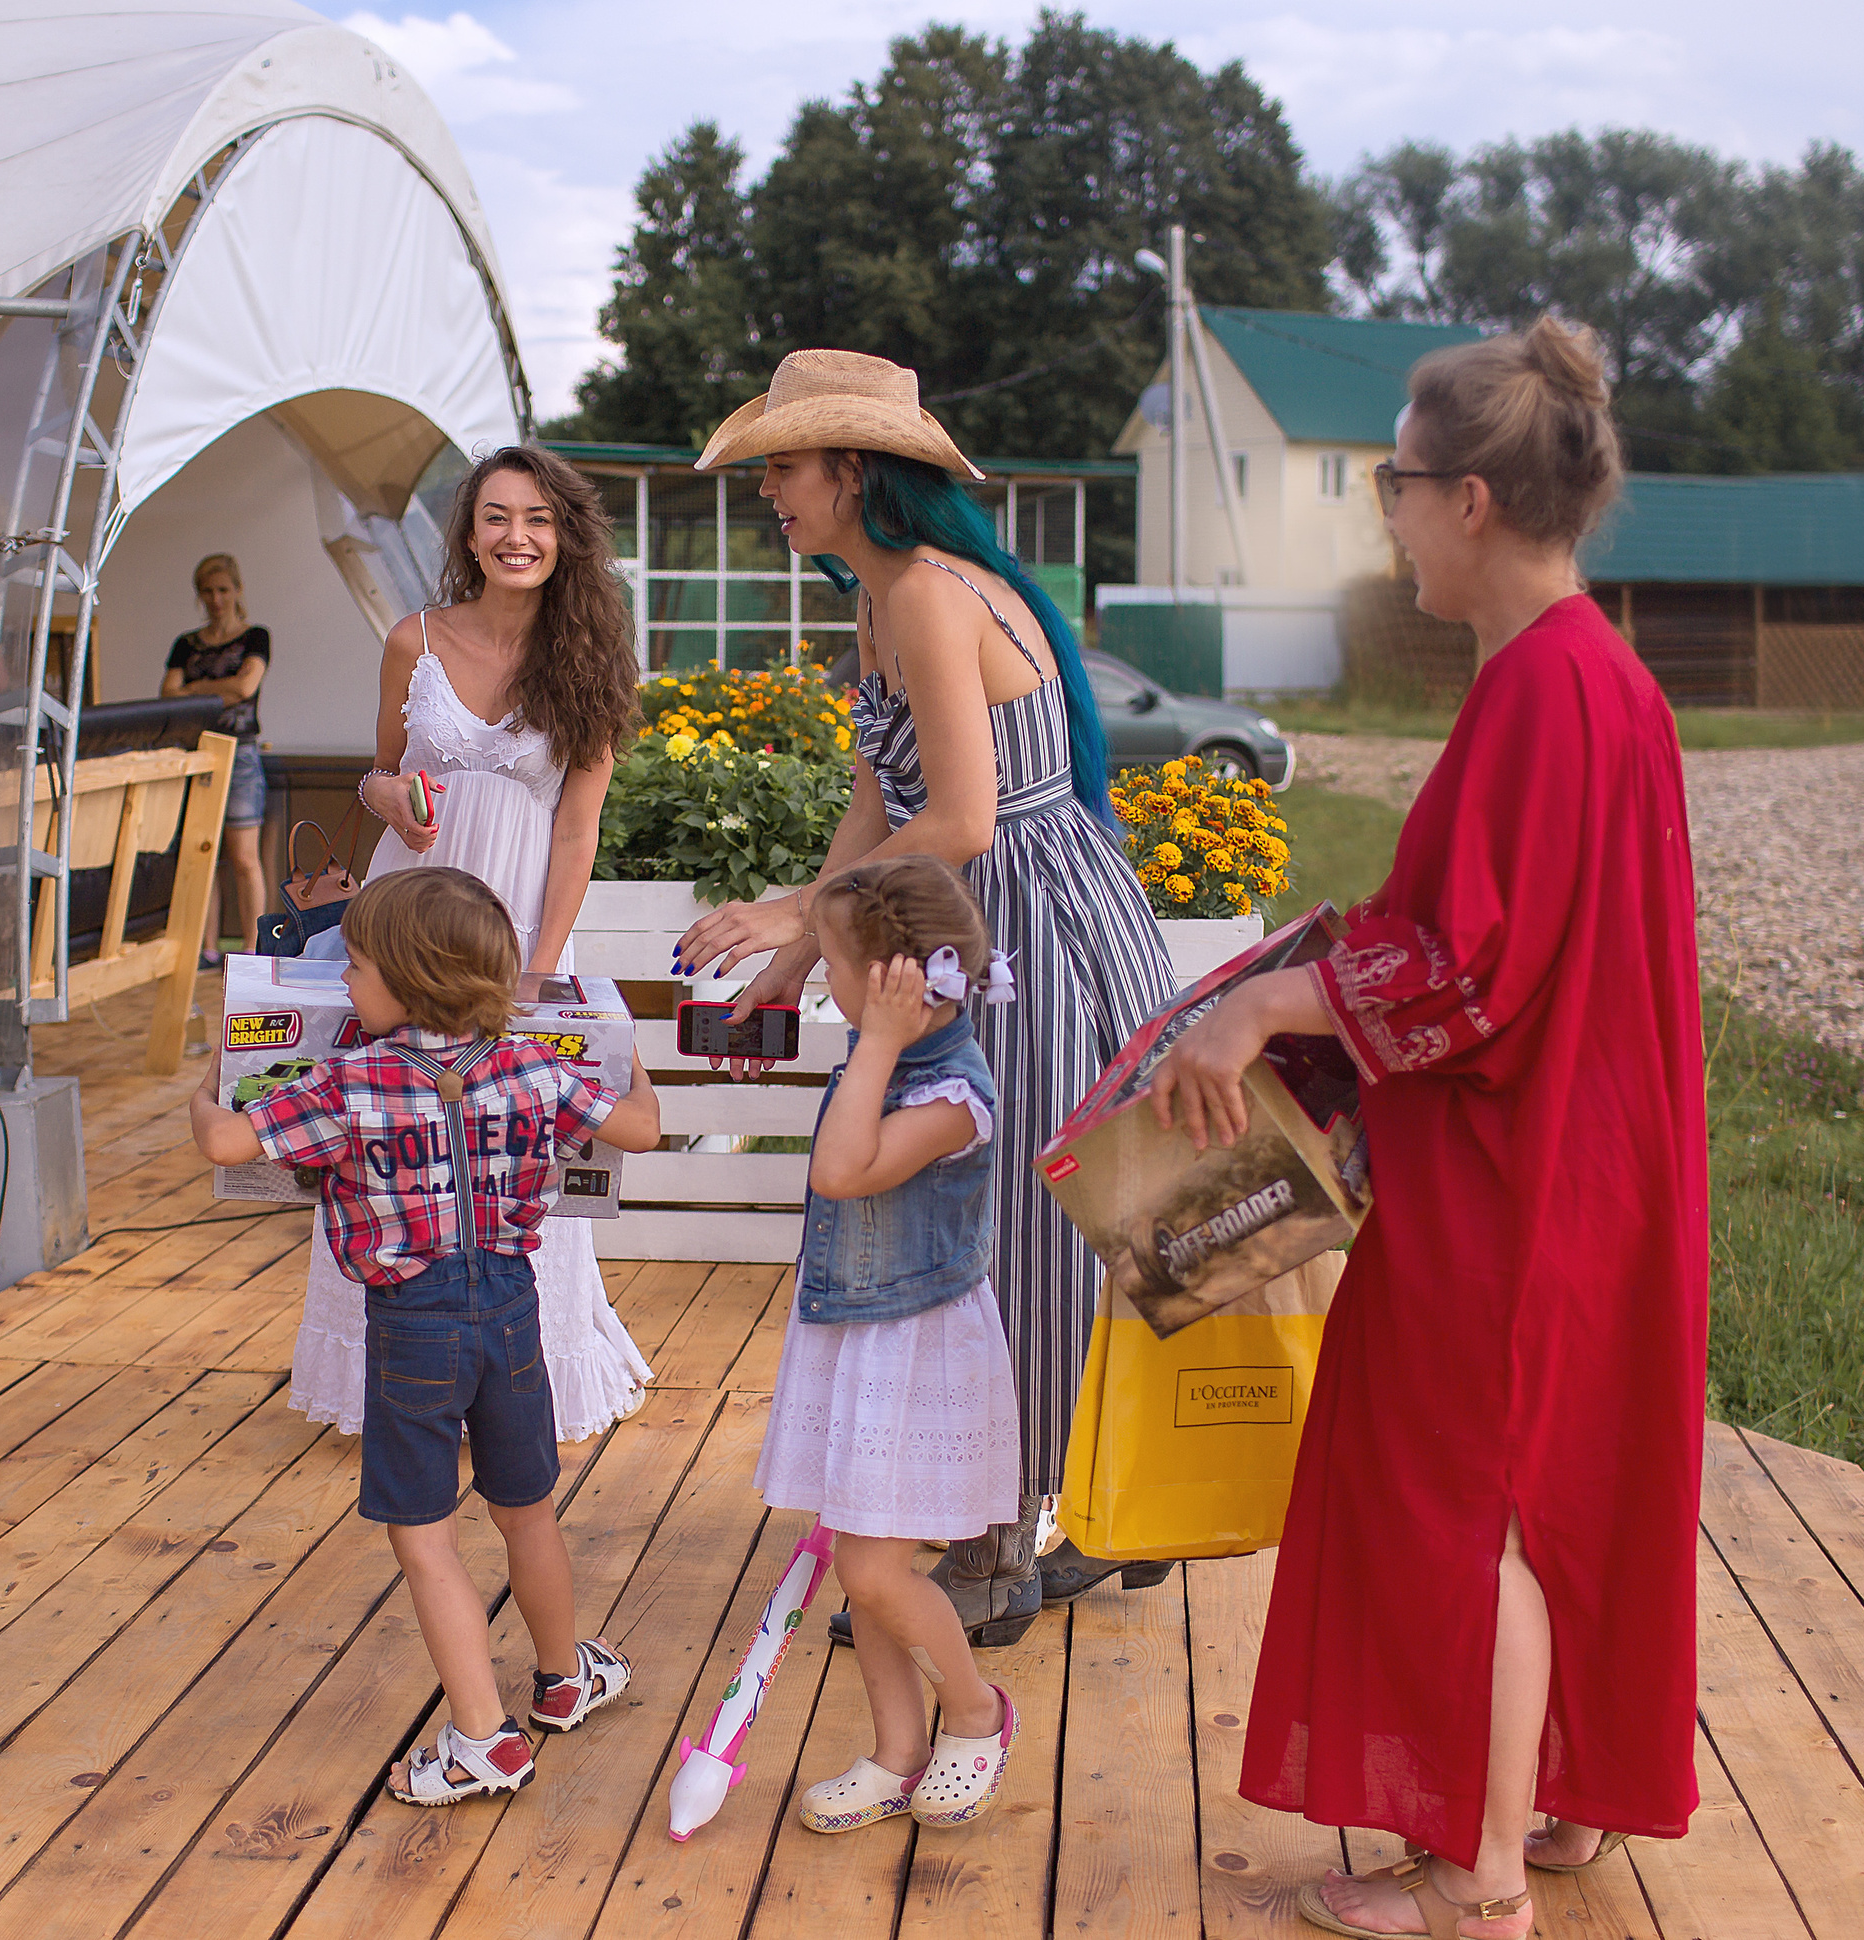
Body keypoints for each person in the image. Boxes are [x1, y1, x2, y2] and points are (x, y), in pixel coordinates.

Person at [1146, 318, 1707, 1939]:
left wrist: (1256, 1009)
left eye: (1392, 484)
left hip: (1516, 1180)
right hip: (1598, 1160)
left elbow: (1473, 968)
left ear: (1468, 499)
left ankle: (1473, 1877)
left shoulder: (1547, 688)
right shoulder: (1602, 677)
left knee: (1472, 1500)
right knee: (1563, 1483)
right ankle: (1560, 1807)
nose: (1383, 517)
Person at [672, 349, 1178, 1645]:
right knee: (995, 1214)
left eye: (782, 467)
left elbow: (959, 815)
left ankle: (1004, 1543)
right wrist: (794, 954)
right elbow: (879, 801)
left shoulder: (932, 600)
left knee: (1010, 1220)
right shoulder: (888, 596)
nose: (768, 491)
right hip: (985, 922)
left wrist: (796, 913)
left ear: (854, 471)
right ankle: (1066, 1512)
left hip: (1033, 928)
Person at [189, 868, 662, 1804]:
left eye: (356, 965)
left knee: (425, 1536)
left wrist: (214, 1080)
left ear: (402, 980)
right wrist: (629, 1058)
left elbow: (224, 1146)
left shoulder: (349, 1081)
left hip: (412, 1327)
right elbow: (640, 1128)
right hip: (511, 1310)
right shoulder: (532, 1068)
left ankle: (484, 1739)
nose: (347, 981)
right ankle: (565, 1678)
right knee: (526, 1508)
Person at [289, 448, 651, 1445]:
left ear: (564, 533)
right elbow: (371, 772)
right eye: (495, 517)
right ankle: (391, 1369)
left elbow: (577, 827)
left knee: (513, 1136)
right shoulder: (413, 638)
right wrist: (387, 798)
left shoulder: (588, 659)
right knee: (390, 1130)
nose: (516, 536)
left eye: (536, 517)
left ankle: (519, 1370)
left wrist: (541, 960)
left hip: (516, 915)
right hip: (407, 903)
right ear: (468, 534)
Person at [757, 855, 1021, 1834]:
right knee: (858, 1565)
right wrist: (876, 1042)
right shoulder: (903, 1057)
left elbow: (840, 1171)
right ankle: (896, 1748)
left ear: (892, 983)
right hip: (861, 1337)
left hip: (917, 1354)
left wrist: (872, 1046)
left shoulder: (952, 1093)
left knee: (873, 1568)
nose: (819, 976)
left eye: (830, 963)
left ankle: (976, 1710)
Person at [160, 552, 270, 968]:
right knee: (201, 854)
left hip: (240, 752)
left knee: (244, 857)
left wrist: (198, 686)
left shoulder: (256, 636)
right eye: (207, 591)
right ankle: (206, 949)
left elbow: (245, 687)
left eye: (223, 589)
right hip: (197, 752)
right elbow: (166, 693)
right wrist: (217, 689)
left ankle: (252, 948)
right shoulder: (186, 643)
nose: (216, 598)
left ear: (237, 590)